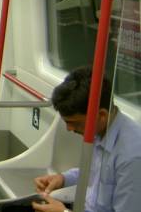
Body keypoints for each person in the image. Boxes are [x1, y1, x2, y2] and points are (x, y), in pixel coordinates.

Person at [31, 66, 141, 212]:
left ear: (101, 115)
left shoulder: (132, 158)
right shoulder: (101, 130)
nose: (69, 129)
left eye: (74, 123)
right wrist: (63, 179)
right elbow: (96, 175)